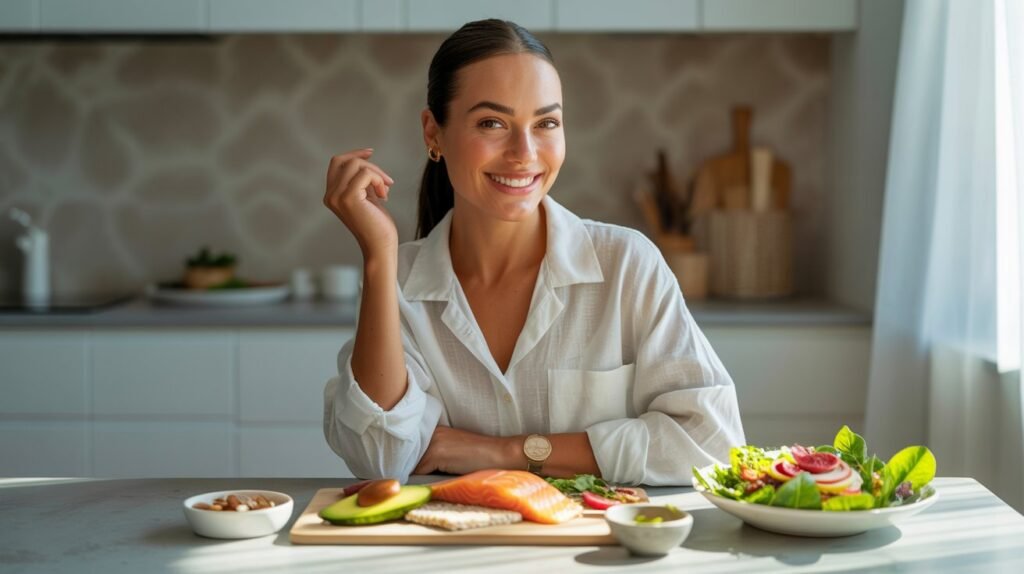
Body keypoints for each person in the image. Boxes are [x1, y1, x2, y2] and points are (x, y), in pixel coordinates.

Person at [322, 19, 745, 486]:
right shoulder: (399, 281)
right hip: (452, 535)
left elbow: (711, 441)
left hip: (595, 534)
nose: (524, 152)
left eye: (546, 123)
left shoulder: (626, 265)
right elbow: (381, 459)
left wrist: (503, 451)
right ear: (433, 133)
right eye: (492, 123)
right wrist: (379, 255)